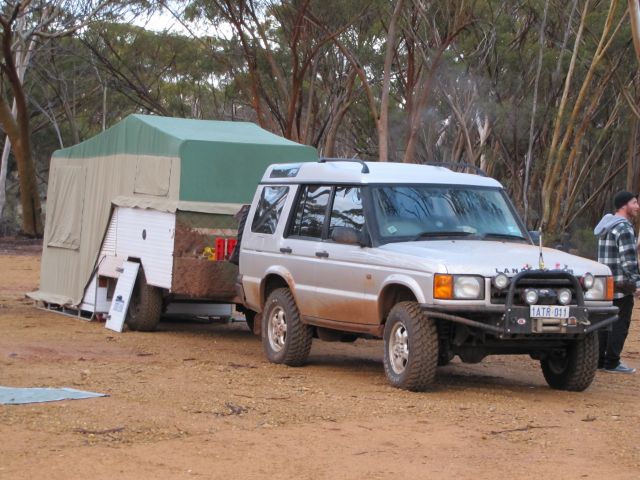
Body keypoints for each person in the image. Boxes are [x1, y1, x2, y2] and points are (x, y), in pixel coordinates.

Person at [593, 191, 640, 374]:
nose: (637, 207)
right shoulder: (624, 228)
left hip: (605, 284)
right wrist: (637, 283)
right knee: (620, 324)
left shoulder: (606, 226)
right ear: (624, 205)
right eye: (634, 203)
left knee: (604, 324)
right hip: (622, 286)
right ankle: (612, 362)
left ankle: (599, 360)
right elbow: (629, 261)